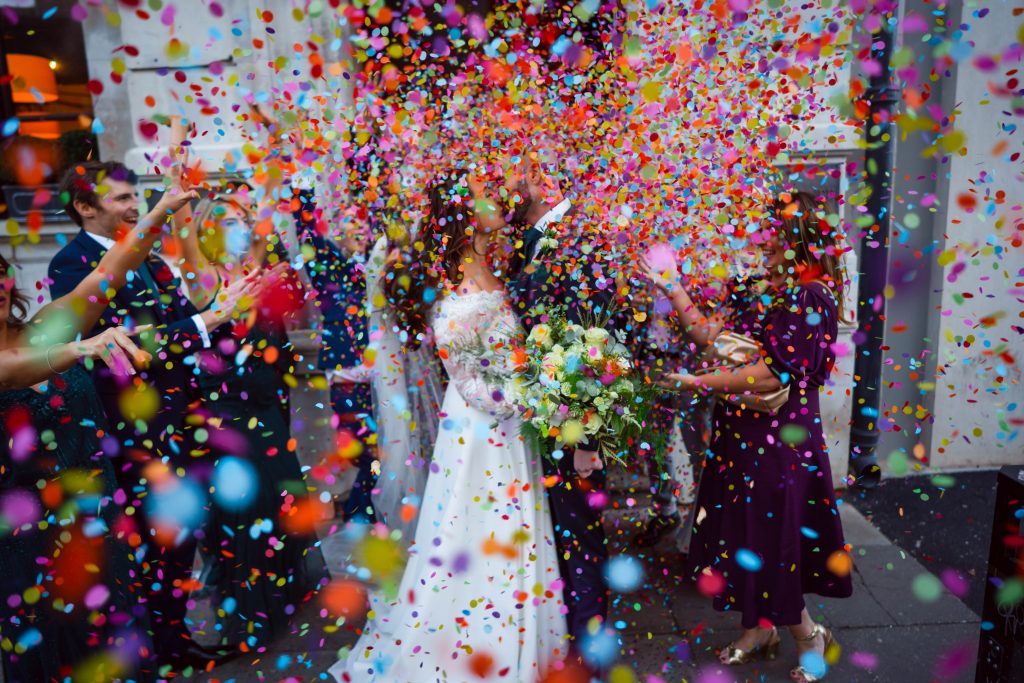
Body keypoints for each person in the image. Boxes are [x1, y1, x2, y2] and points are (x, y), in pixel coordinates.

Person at [329, 170, 566, 682]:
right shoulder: (454, 286)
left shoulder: (490, 265)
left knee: (511, 531)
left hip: (506, 428)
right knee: (478, 535)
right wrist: (541, 393)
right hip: (479, 429)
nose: (499, 200)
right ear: (462, 213)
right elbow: (472, 381)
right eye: (485, 195)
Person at [47, 161, 254, 670]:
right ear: (84, 206)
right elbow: (122, 348)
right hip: (125, 428)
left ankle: (175, 639)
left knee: (183, 536)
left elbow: (179, 328)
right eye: (119, 198)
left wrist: (223, 311)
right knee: (150, 540)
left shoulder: (154, 261)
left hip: (178, 418)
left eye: (133, 194)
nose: (132, 204)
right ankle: (157, 648)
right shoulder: (69, 267)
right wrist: (206, 321)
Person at [643, 191, 854, 683]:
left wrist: (700, 383)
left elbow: (772, 376)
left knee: (775, 537)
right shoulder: (761, 287)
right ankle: (761, 629)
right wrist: (672, 286)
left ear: (796, 238)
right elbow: (710, 337)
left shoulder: (812, 296)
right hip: (739, 436)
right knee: (744, 533)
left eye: (771, 232)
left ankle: (808, 635)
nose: (761, 239)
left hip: (780, 443)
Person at [0, 184, 193, 681]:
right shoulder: (36, 351)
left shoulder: (43, 325)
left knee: (113, 641)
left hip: (94, 517)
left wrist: (162, 211)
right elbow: (16, 371)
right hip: (29, 535)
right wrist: (81, 350)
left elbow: (108, 273)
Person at [169, 170, 329, 651]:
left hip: (268, 415)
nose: (241, 223)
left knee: (281, 511)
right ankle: (250, 626)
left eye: (244, 215)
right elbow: (184, 235)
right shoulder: (208, 282)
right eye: (228, 218)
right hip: (229, 420)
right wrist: (180, 192)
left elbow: (300, 322)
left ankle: (283, 611)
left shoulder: (264, 274)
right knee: (244, 523)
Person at [501, 153, 613, 652]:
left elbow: (595, 344)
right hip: (540, 420)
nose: (502, 183)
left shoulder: (572, 240)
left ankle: (589, 648)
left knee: (578, 536)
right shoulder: (533, 240)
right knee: (560, 536)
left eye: (511, 172)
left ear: (540, 181)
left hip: (569, 425)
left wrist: (586, 438)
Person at [293, 193, 377, 523]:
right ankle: (359, 508)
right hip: (347, 375)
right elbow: (307, 233)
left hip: (384, 374)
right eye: (350, 222)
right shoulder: (328, 265)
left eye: (363, 223)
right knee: (360, 447)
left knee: (385, 447)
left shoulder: (379, 258)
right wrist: (300, 187)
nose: (358, 229)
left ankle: (369, 507)